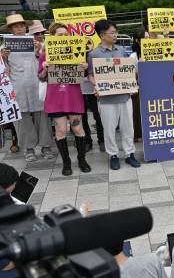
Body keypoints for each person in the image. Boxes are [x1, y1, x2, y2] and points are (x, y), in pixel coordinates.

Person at [38, 22, 91, 176]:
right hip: (55, 98)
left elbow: (85, 75)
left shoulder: (77, 51)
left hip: (73, 96)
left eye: (66, 34)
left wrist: (85, 67)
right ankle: (66, 162)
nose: (63, 37)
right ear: (52, 37)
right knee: (61, 130)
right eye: (60, 35)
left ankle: (82, 160)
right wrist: (46, 68)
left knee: (77, 128)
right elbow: (41, 77)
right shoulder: (45, 53)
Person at [0, 14, 55, 162]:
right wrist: (2, 57)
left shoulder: (37, 43)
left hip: (37, 83)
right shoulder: (4, 47)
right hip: (17, 85)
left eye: (22, 25)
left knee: (42, 115)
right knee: (22, 117)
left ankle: (46, 146)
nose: (20, 28)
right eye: (16, 26)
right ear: (10, 29)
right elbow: (3, 70)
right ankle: (28, 148)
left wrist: (39, 51)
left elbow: (46, 61)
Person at [88, 19, 141, 171]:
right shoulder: (94, 54)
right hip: (106, 99)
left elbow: (128, 71)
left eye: (116, 31)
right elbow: (91, 75)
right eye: (112, 32)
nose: (115, 35)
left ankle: (130, 153)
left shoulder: (121, 50)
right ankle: (113, 155)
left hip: (124, 96)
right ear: (102, 35)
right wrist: (96, 85)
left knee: (128, 127)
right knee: (109, 129)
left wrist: (134, 73)